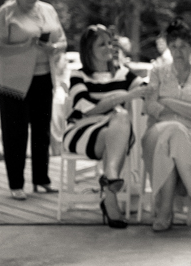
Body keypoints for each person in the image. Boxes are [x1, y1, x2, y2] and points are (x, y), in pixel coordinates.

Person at [0, 0, 67, 201]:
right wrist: (23, 47)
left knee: (42, 131)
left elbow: (62, 40)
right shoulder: (6, 12)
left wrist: (54, 48)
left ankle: (41, 179)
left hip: (44, 77)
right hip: (13, 82)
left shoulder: (48, 10)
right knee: (16, 133)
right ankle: (16, 183)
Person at [63, 24, 150, 228]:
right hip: (83, 131)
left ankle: (110, 181)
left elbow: (144, 88)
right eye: (102, 44)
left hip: (114, 132)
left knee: (120, 118)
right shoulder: (79, 76)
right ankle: (111, 185)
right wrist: (123, 97)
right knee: (119, 118)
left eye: (110, 43)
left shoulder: (122, 73)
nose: (109, 48)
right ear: (88, 50)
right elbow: (88, 109)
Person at [142, 18, 191, 232]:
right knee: (172, 131)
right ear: (169, 48)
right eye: (174, 46)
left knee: (173, 135)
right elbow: (150, 107)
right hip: (157, 131)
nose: (179, 51)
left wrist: (168, 102)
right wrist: (185, 109)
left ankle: (164, 211)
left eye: (183, 46)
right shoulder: (157, 72)